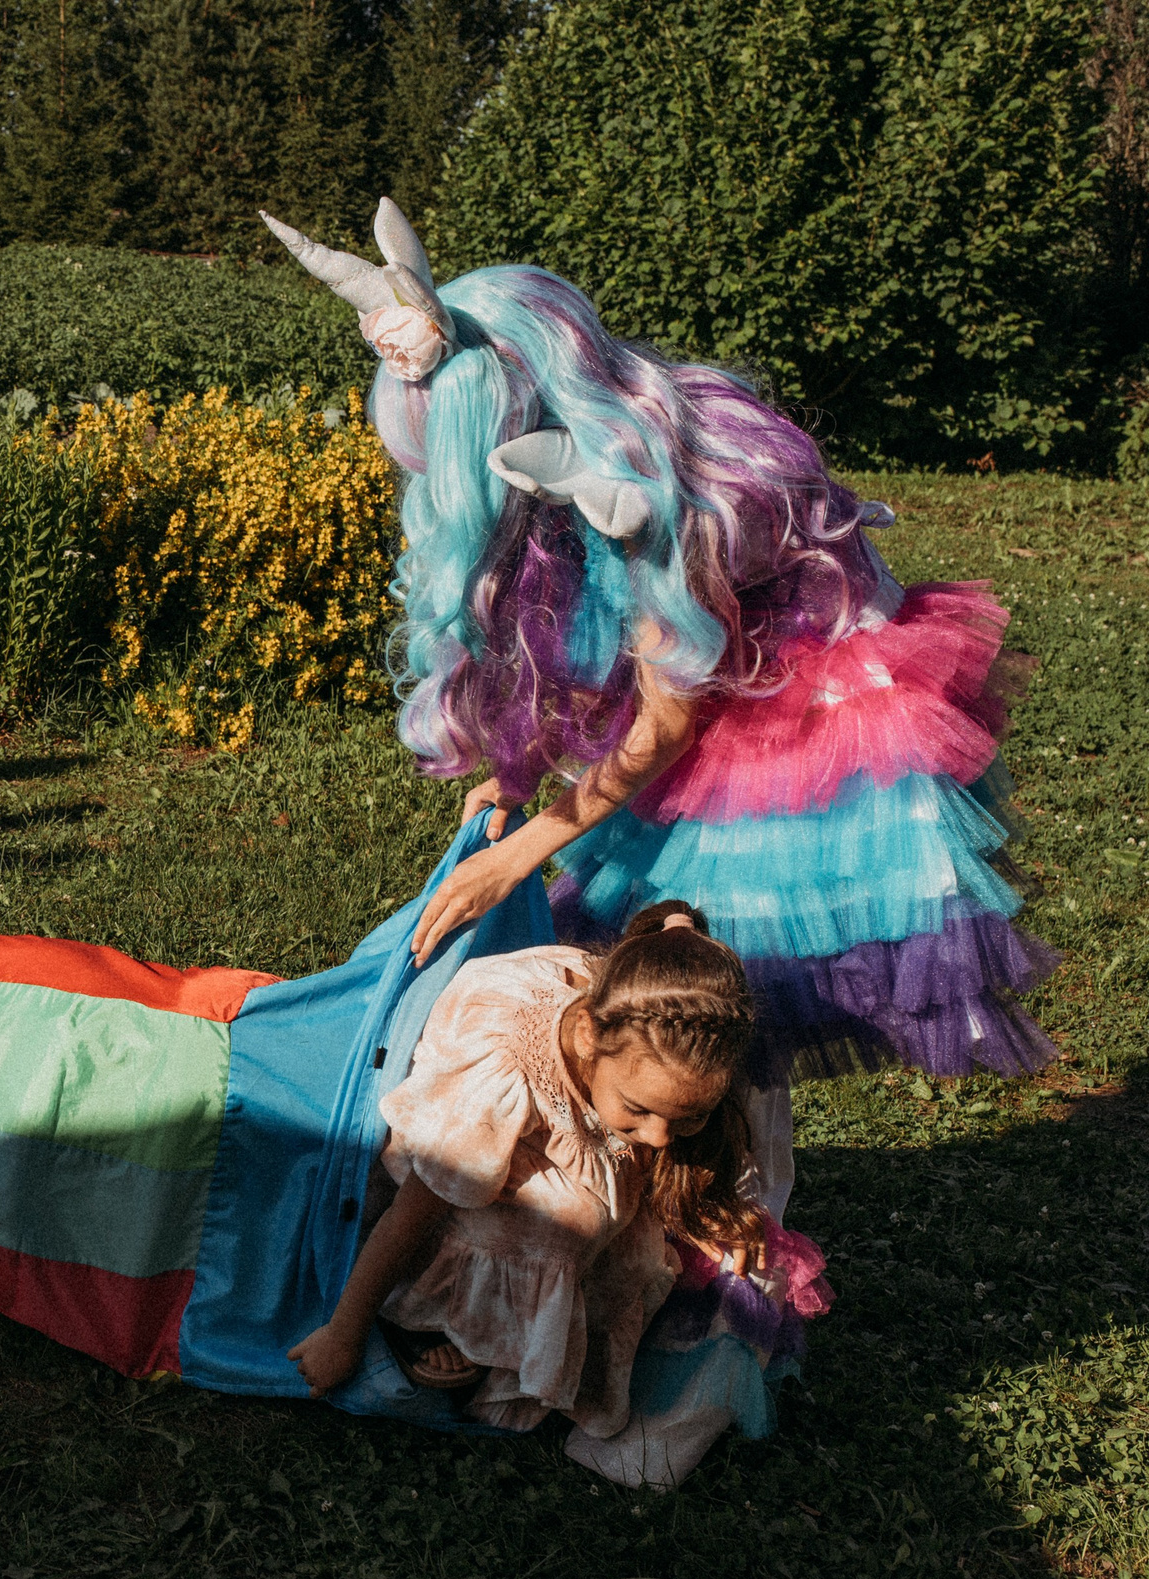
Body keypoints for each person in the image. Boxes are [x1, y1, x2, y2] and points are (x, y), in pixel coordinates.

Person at [267, 199, 1057, 1214]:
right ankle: (679, 1208)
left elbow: (664, 722)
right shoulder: (599, 456)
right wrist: (513, 791)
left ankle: (738, 1238)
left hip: (805, 728)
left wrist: (525, 850)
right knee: (663, 957)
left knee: (739, 976)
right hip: (720, 689)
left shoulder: (662, 504)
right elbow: (585, 652)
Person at [288, 903, 776, 1445]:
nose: (661, 1137)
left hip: (555, 1101)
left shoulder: (651, 1032)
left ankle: (516, 1305)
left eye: (687, 1117)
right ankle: (423, 1313)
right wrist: (344, 1332)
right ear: (589, 1037)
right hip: (452, 1153)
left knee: (609, 1204)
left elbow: (672, 1124)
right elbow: (409, 1214)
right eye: (639, 1111)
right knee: (568, 1220)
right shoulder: (501, 1086)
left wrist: (704, 1208)